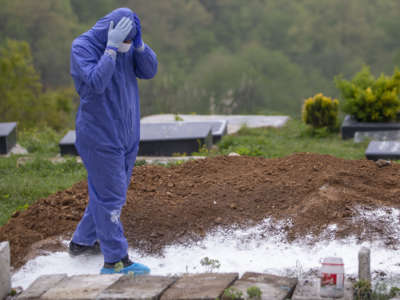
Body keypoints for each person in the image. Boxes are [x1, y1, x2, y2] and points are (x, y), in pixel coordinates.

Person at [68, 7, 158, 275]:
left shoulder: (128, 45)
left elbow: (149, 71)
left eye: (131, 40)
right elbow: (95, 84)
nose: (127, 46)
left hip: (127, 133)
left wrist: (139, 46)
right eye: (126, 41)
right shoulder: (82, 46)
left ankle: (82, 242)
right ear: (110, 32)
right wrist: (110, 49)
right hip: (100, 134)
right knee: (110, 196)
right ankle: (115, 261)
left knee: (109, 191)